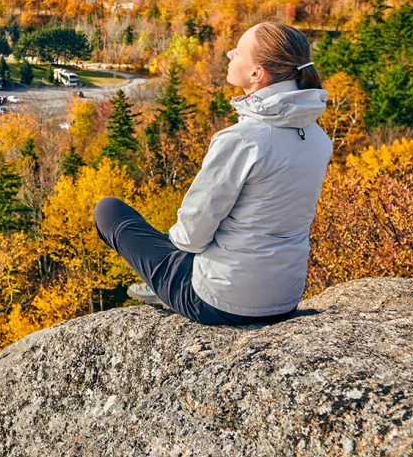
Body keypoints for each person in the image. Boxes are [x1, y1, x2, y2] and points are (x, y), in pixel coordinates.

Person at [91, 22, 333, 326]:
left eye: (239, 50)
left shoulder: (242, 140)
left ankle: (164, 286)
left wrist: (172, 259)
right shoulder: (318, 139)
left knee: (108, 210)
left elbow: (190, 236)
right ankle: (173, 278)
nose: (230, 53)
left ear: (257, 74)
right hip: (284, 298)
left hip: (220, 302)